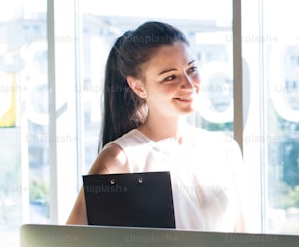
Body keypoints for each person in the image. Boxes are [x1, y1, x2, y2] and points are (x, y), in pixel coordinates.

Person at [66, 21, 251, 231]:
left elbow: (245, 238)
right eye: (170, 77)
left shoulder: (225, 150)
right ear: (138, 87)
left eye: (192, 69)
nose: (189, 85)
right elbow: (71, 244)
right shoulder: (122, 158)